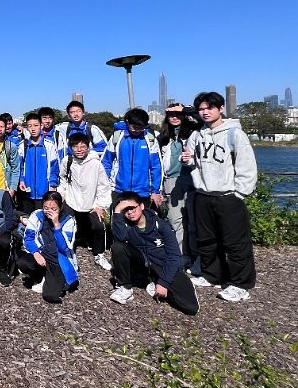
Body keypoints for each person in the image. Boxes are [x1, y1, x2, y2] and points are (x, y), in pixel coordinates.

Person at [182, 91, 257, 302]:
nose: (205, 112)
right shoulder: (197, 135)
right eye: (201, 109)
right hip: (203, 194)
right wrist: (187, 160)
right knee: (207, 239)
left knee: (235, 242)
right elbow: (193, 161)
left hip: (228, 196)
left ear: (221, 109)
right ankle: (212, 275)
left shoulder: (234, 134)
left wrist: (239, 193)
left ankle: (241, 284)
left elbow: (247, 166)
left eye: (210, 108)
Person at [109, 192, 199, 315]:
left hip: (163, 265)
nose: (129, 212)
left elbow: (174, 256)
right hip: (143, 264)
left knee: (190, 307)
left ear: (141, 206)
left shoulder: (160, 225)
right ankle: (125, 287)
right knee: (118, 247)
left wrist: (163, 284)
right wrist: (117, 212)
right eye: (125, 210)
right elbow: (120, 239)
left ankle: (160, 281)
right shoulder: (126, 225)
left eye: (132, 208)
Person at [57, 133, 112, 271]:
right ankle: (66, 253)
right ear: (70, 147)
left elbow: (103, 186)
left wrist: (101, 206)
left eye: (83, 146)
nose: (79, 149)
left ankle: (99, 254)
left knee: (98, 226)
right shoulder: (67, 161)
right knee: (65, 225)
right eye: (76, 146)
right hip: (72, 199)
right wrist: (62, 194)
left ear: (88, 147)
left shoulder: (95, 163)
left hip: (92, 202)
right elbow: (62, 179)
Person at [158, 103, 202, 272]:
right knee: (175, 221)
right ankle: (180, 257)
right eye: (171, 114)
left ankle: (196, 258)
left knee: (193, 221)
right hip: (171, 181)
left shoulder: (193, 131)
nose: (174, 117)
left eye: (178, 114)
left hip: (192, 179)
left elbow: (201, 118)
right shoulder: (163, 137)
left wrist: (185, 109)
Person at [15, 191, 78, 303]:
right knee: (23, 262)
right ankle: (41, 276)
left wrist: (57, 225)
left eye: (54, 209)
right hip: (42, 253)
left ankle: (55, 279)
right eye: (46, 208)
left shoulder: (69, 221)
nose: (49, 211)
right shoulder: (37, 215)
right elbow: (28, 238)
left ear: (61, 207)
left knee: (50, 296)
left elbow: (64, 247)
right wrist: (36, 253)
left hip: (58, 258)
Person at [102, 109, 163, 208]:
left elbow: (156, 166)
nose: (137, 131)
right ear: (127, 122)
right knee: (118, 217)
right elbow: (106, 163)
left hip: (143, 192)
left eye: (141, 128)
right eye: (134, 127)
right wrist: (104, 186)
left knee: (142, 218)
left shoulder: (150, 139)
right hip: (118, 190)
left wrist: (155, 191)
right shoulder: (117, 137)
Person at [18, 113, 59, 214]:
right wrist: (22, 181)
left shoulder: (49, 145)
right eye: (30, 126)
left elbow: (54, 168)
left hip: (45, 192)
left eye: (36, 125)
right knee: (29, 218)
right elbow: (21, 167)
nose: (33, 129)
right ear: (27, 128)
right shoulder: (23, 145)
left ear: (41, 125)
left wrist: (52, 185)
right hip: (28, 192)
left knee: (45, 219)